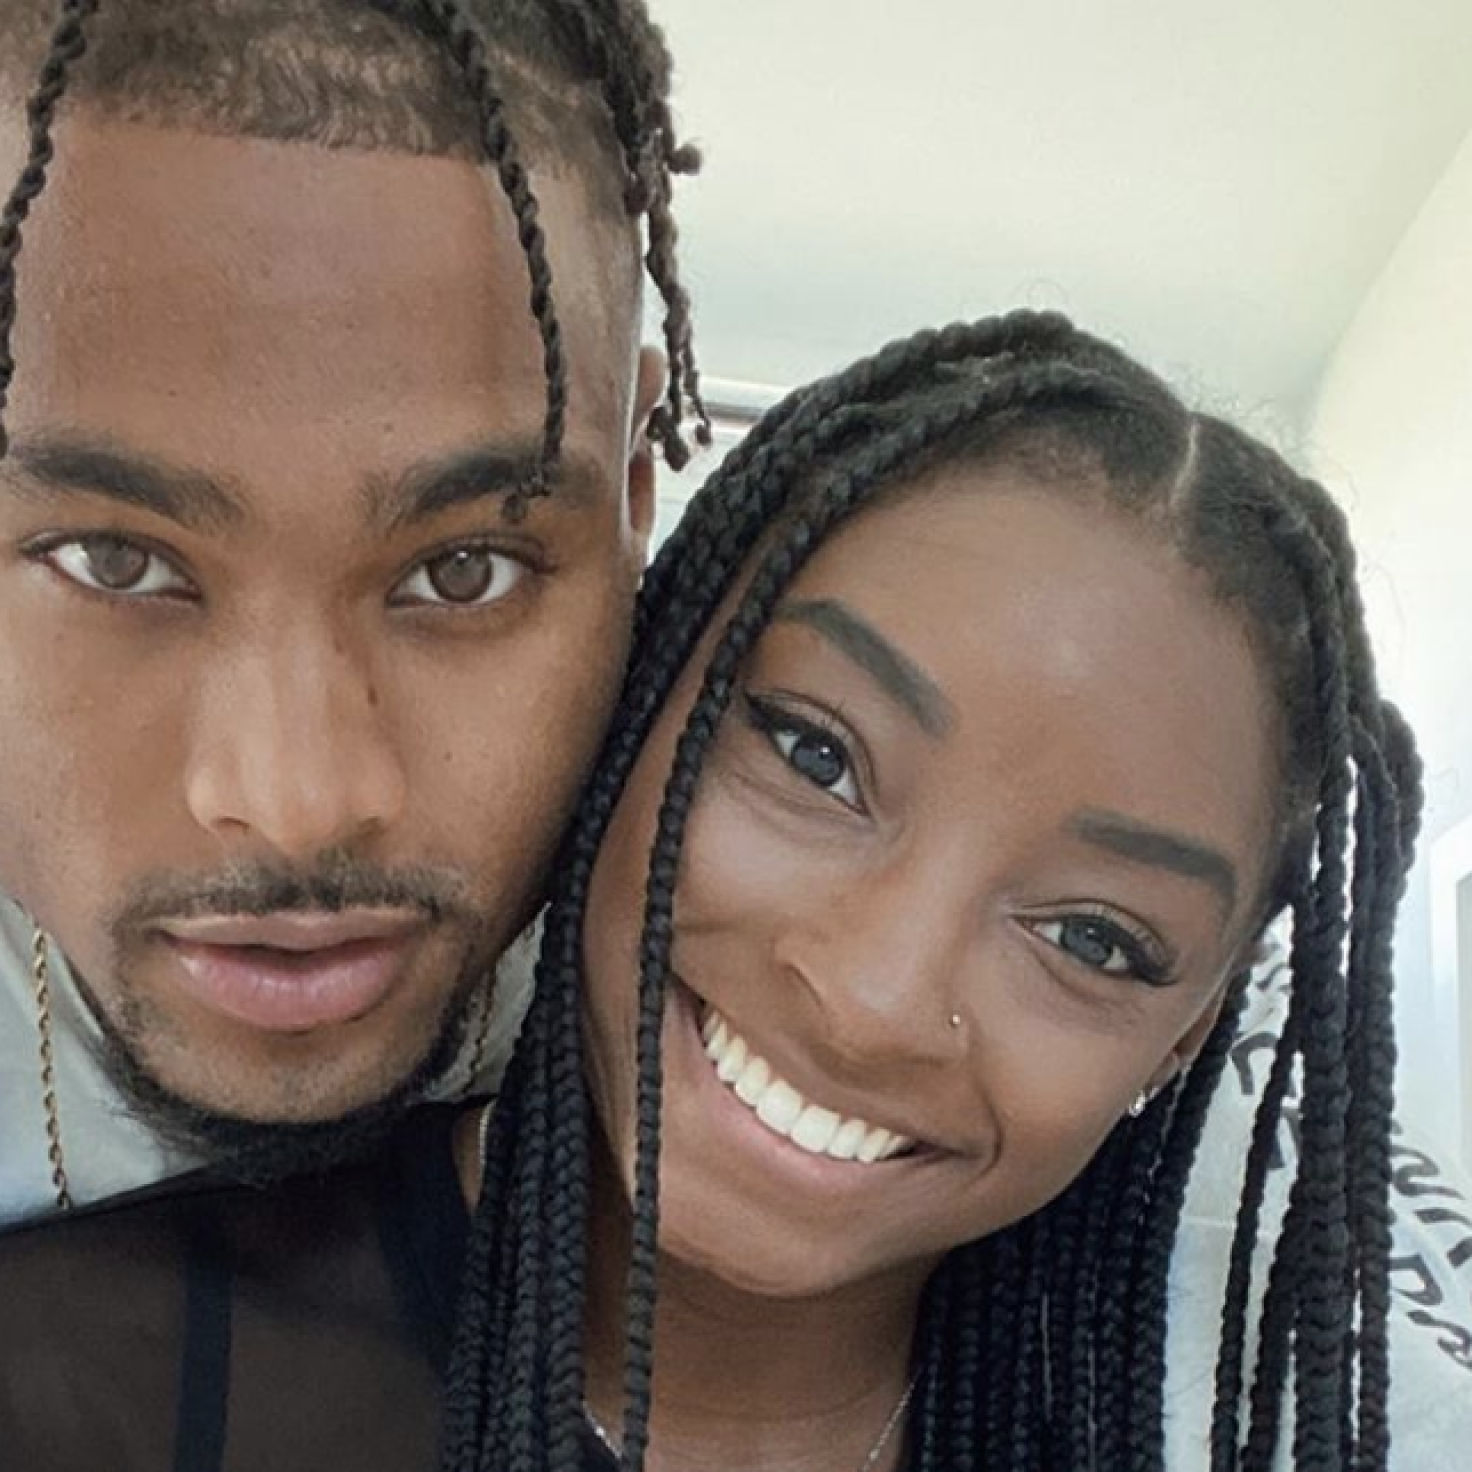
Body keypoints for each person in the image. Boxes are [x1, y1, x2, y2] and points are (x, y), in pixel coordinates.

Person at [6, 313, 1467, 1472]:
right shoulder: (76, 1374)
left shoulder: (1248, 1424)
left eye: (1093, 937)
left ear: (1182, 1032)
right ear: (645, 690)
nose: (874, 999)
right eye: (816, 756)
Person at [0, 0, 706, 1224]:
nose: (298, 803)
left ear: (633, 493)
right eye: (114, 562)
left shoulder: (763, 1046)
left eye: (464, 571)